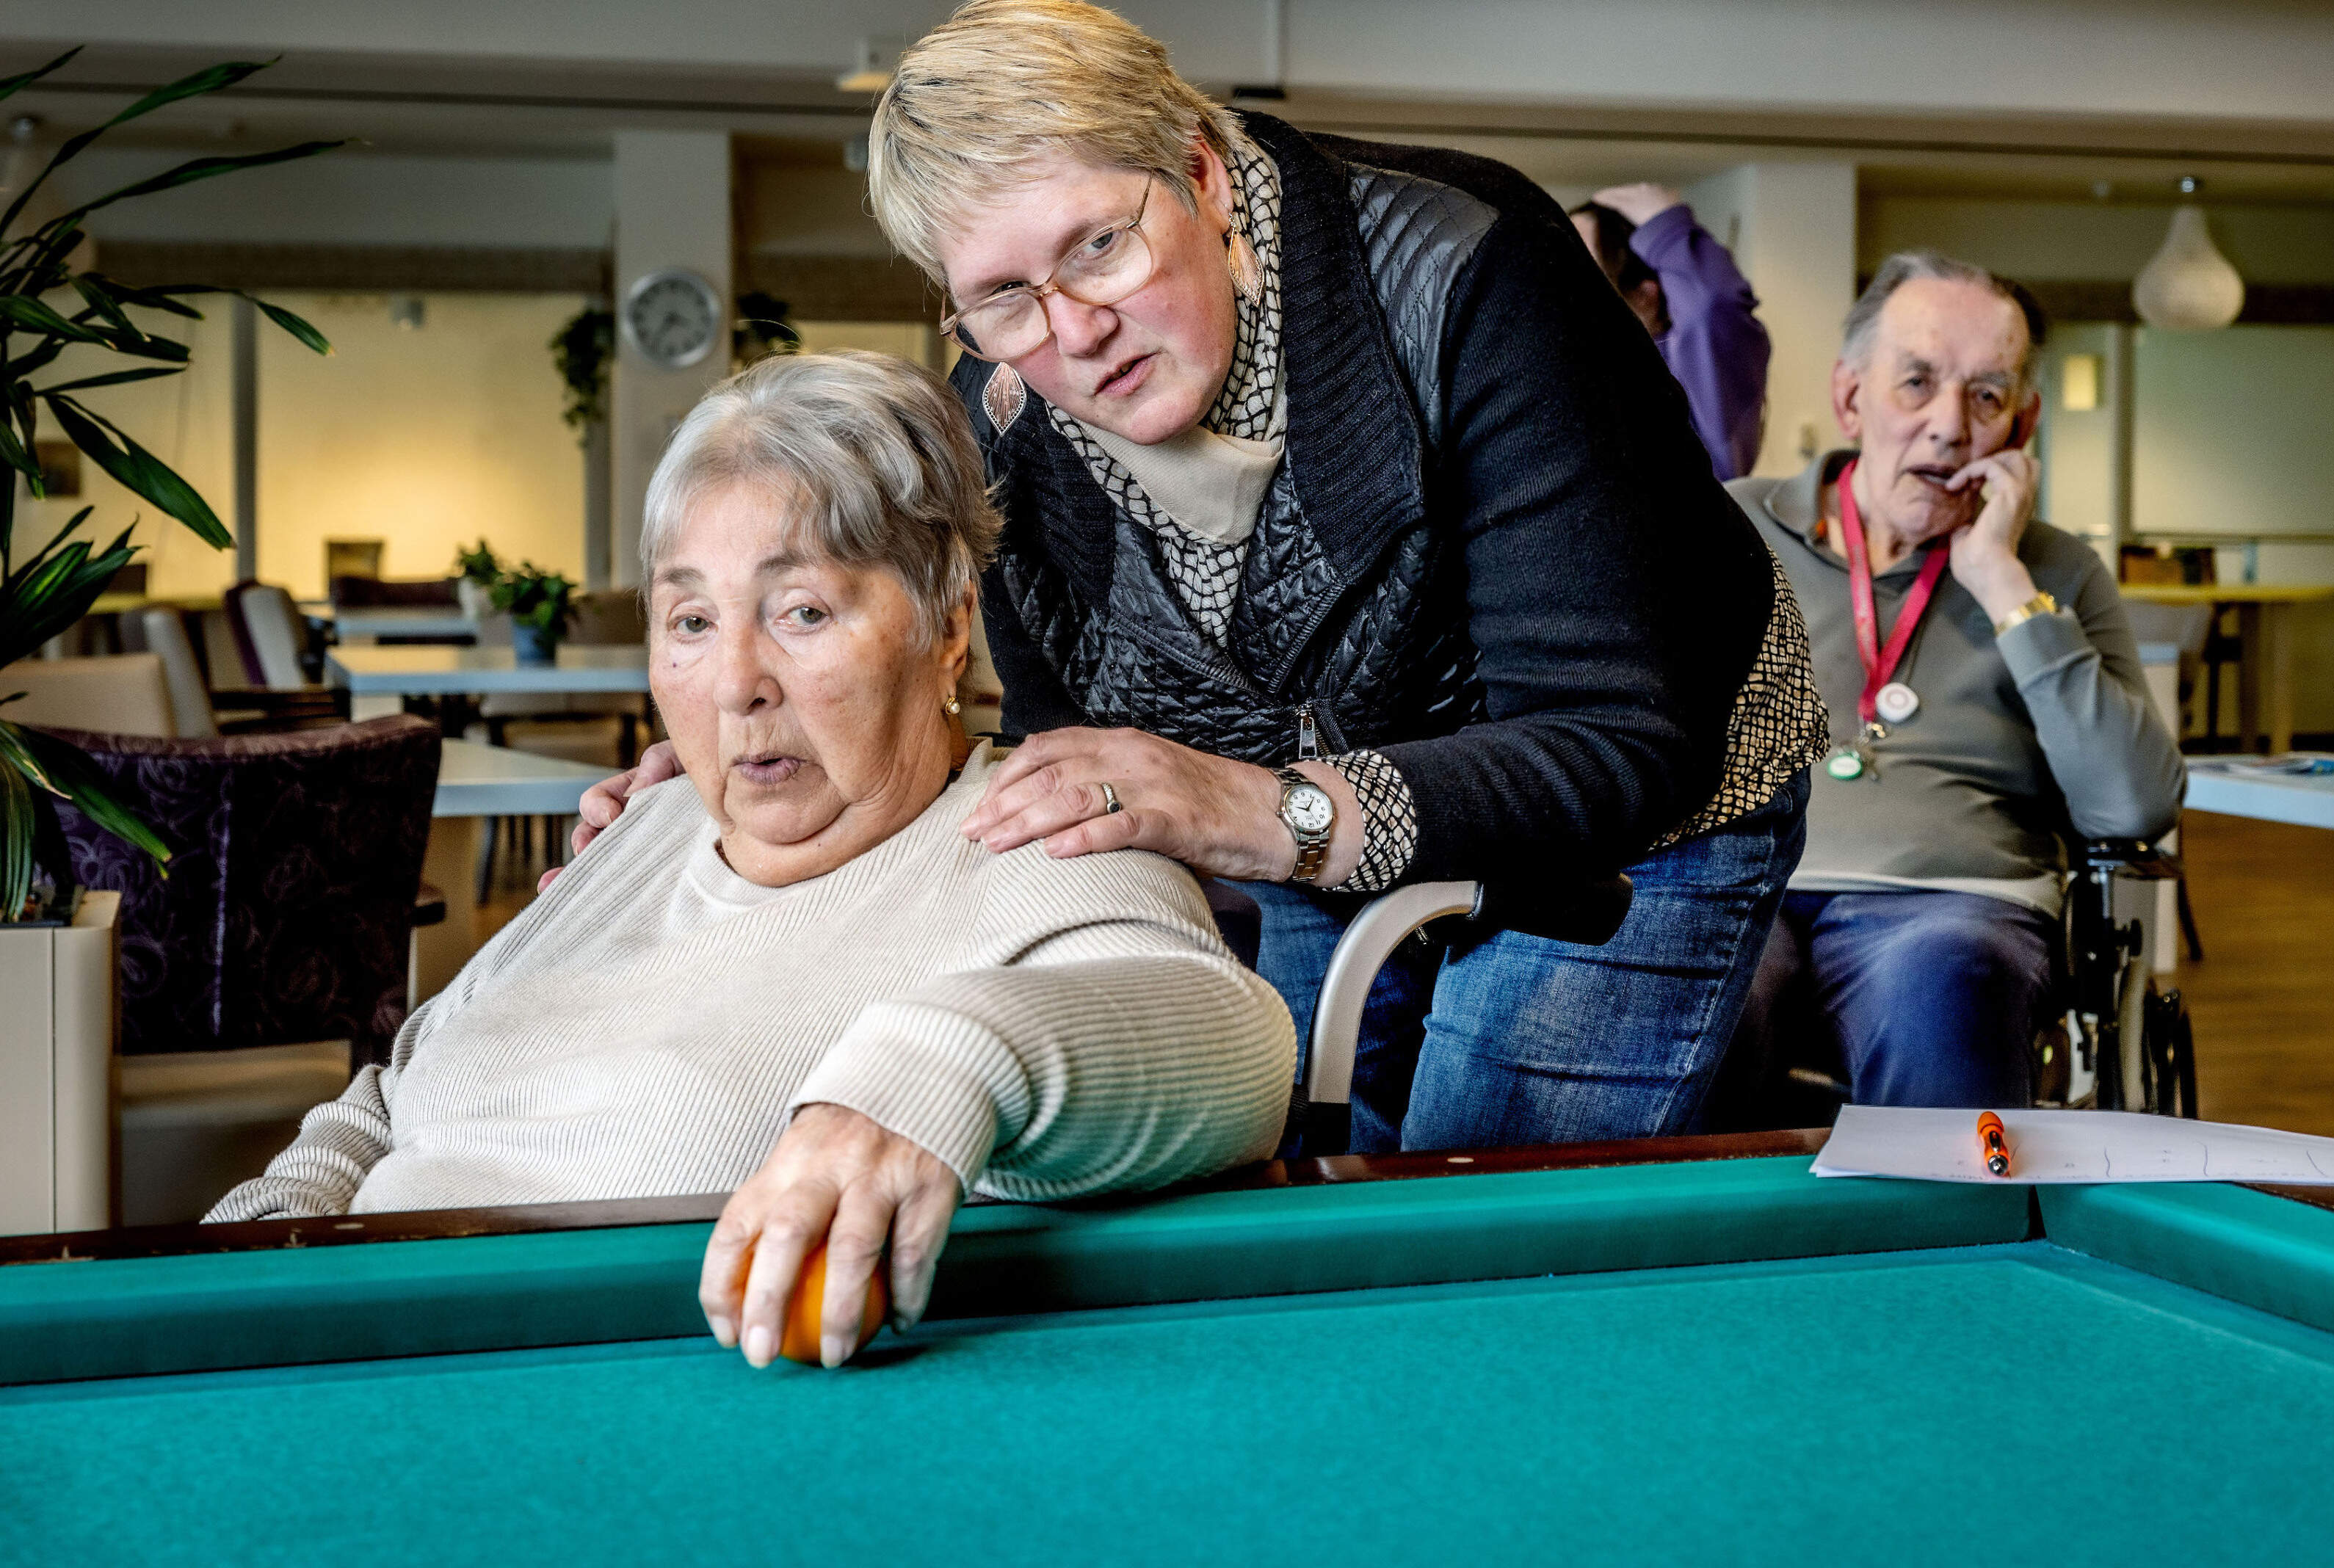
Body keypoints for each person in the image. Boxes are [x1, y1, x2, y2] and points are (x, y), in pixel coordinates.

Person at [568, 0, 1824, 1155]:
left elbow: (1615, 737)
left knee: (1463, 1211)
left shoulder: (1468, 269)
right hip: (1308, 808)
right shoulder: (1003, 412)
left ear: (1203, 173)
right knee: (1278, 1161)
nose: (1072, 333)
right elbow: (1063, 752)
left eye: (1100, 248)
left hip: (1649, 809)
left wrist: (1268, 811)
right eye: (1002, 296)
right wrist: (760, 766)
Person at [213, 351, 1295, 1371]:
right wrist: (247, 1257)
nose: (736, 682)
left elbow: (1237, 1047)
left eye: (803, 611)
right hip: (322, 1362)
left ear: (948, 623)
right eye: (690, 619)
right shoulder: (646, 826)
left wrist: (939, 1069)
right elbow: (394, 1095)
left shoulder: (1035, 835)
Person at [1728, 252, 2183, 1108]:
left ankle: (1943, 1242)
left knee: (1944, 978)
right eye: (1917, 383)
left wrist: (2005, 584)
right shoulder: (1732, 528)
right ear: (1851, 395)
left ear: (2023, 423)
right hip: (1746, 889)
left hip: (1959, 905)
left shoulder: (2058, 571)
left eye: (1986, 396)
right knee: (1687, 990)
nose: (1948, 426)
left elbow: (2134, 806)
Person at [1570, 184, 1770, 483]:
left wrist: (1667, 228)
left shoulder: (1688, 386)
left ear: (1645, 296)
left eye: (1582, 272)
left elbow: (1712, 306)